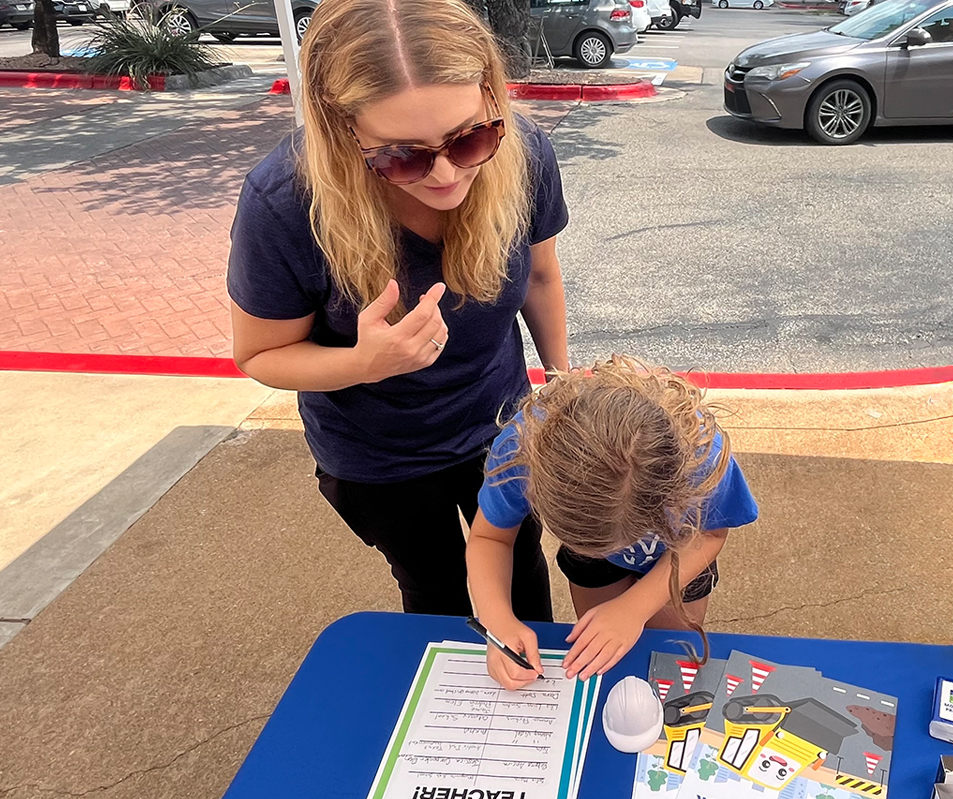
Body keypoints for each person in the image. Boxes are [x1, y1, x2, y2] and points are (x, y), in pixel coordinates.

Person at [225, 0, 569, 620]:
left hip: (502, 423)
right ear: (342, 128)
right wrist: (364, 362)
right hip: (379, 453)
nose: (444, 176)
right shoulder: (283, 202)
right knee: (433, 586)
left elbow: (541, 277)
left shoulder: (525, 154)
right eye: (401, 155)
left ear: (491, 95)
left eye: (470, 138)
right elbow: (259, 353)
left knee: (520, 575)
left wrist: (561, 384)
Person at [468, 357, 760, 689]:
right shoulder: (519, 450)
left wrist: (634, 609)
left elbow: (709, 535)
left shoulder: (702, 456)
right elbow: (489, 539)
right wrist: (497, 621)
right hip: (595, 569)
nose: (618, 549)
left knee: (668, 661)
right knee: (602, 654)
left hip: (679, 555)